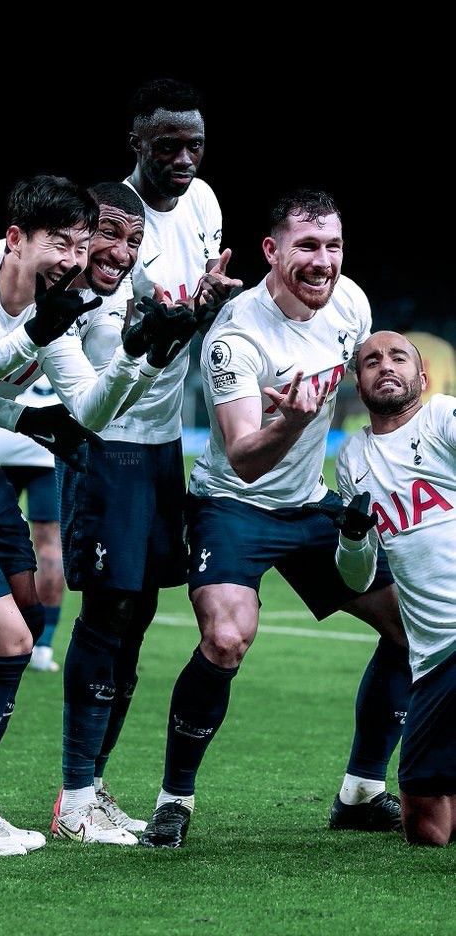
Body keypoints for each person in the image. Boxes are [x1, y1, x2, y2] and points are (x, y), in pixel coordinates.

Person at [0, 173, 190, 861]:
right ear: (14, 239)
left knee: (9, 633)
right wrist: (34, 340)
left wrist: (142, 358)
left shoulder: (54, 307)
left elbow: (90, 407)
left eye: (79, 245)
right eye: (60, 243)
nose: (73, 257)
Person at [139, 187, 412, 849]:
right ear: (272, 251)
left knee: (418, 626)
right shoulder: (235, 337)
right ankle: (174, 801)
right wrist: (289, 421)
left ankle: (361, 792)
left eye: (333, 246)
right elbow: (244, 458)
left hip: (310, 505)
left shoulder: (350, 303)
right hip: (233, 505)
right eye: (307, 247)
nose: (323, 262)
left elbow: (373, 396)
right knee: (228, 637)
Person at [52, 80, 242, 846]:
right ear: (137, 141)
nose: (184, 159)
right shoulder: (104, 222)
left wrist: (206, 308)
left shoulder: (203, 206)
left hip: (163, 443)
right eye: (167, 145)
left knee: (138, 619)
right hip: (110, 443)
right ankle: (72, 795)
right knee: (108, 614)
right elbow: (90, 336)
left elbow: (191, 314)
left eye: (194, 143)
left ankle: (93, 788)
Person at [335, 331, 455, 846]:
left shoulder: (443, 418)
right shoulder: (352, 459)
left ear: (421, 376)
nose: (385, 365)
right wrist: (353, 537)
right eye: (371, 361)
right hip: (429, 657)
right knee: (424, 827)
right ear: (356, 383)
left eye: (398, 356)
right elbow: (357, 578)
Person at [0, 376, 65, 673]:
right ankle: (43, 645)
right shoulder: (72, 331)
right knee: (49, 545)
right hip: (47, 445)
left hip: (6, 438)